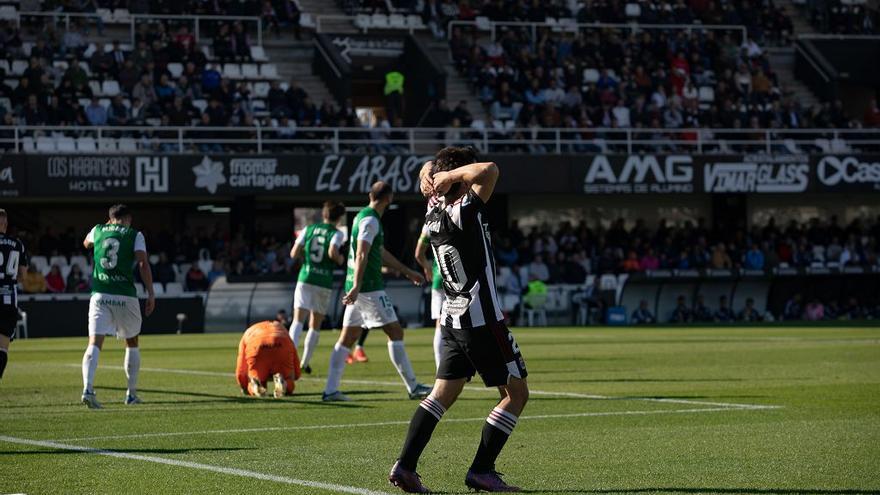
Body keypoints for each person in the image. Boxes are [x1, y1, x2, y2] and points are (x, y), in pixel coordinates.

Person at [390, 147, 528, 493]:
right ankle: (482, 469)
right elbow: (491, 170)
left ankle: (405, 466)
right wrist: (451, 175)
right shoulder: (463, 210)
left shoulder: (433, 210)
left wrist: (433, 174)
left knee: (441, 395)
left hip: (453, 317)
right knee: (516, 393)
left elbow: (433, 168)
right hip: (481, 319)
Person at [321, 181, 430, 402]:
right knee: (396, 332)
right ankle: (413, 387)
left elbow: (377, 251)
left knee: (347, 338)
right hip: (369, 288)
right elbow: (362, 254)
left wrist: (408, 271)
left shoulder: (363, 216)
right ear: (389, 198)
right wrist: (357, 286)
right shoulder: (371, 220)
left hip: (360, 285)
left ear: (371, 195)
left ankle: (330, 390)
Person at [80, 204, 156, 409]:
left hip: (100, 294)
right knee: (132, 342)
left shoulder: (97, 230)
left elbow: (85, 243)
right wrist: (150, 292)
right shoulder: (135, 234)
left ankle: (88, 389)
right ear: (128, 218)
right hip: (125, 295)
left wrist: (107, 225)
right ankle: (131, 394)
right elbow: (142, 263)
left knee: (94, 342)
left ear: (110, 218)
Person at [289, 201, 346, 374]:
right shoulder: (336, 233)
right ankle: (304, 363)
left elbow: (293, 253)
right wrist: (340, 260)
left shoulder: (308, 229)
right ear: (339, 218)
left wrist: (305, 258)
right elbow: (332, 252)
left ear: (324, 214)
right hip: (323, 281)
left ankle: (288, 360)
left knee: (298, 320)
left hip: (305, 277)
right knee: (315, 324)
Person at [235, 320, 300, 398]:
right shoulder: (281, 327)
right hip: (281, 342)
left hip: (257, 345)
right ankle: (284, 384)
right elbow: (295, 359)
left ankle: (255, 386)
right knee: (288, 379)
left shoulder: (248, 332)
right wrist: (293, 377)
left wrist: (244, 386)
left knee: (256, 380)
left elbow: (241, 370)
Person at [0, 209, 28, 381]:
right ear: (5, 224)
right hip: (8, 298)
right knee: (2, 348)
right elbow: (23, 276)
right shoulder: (17, 244)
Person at [415, 222, 445, 369]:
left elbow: (418, 253)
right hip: (460, 279)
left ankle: (442, 370)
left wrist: (428, 268)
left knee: (440, 324)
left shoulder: (429, 222)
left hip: (439, 278)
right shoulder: (459, 213)